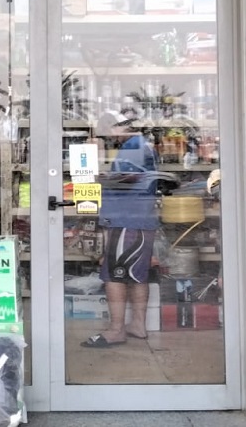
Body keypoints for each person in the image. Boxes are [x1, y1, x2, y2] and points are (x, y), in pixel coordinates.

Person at [81, 114, 161, 348]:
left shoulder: (133, 146)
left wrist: (97, 176)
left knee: (114, 274)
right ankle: (138, 325)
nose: (108, 136)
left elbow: (128, 178)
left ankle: (116, 331)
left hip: (126, 218)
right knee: (137, 274)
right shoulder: (141, 144)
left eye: (106, 131)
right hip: (140, 218)